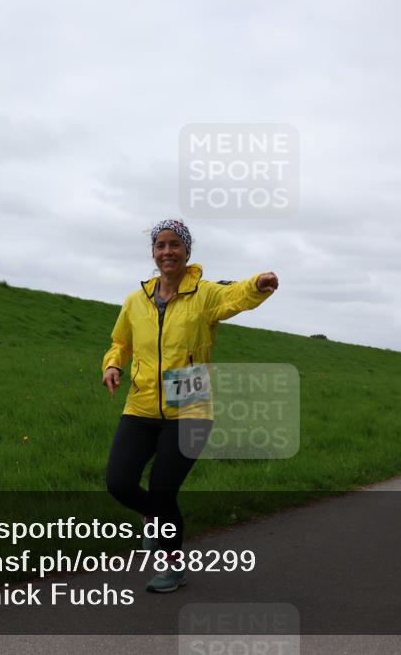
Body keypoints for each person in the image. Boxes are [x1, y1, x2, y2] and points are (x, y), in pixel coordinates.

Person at [101, 219, 278, 593]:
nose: (167, 251)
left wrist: (258, 285)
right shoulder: (137, 301)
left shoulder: (204, 294)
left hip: (190, 408)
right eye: (160, 245)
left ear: (186, 252)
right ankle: (153, 517)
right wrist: (113, 364)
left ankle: (172, 564)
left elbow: (234, 296)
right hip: (141, 405)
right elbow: (120, 341)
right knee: (118, 482)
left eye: (175, 245)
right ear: (153, 253)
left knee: (164, 490)